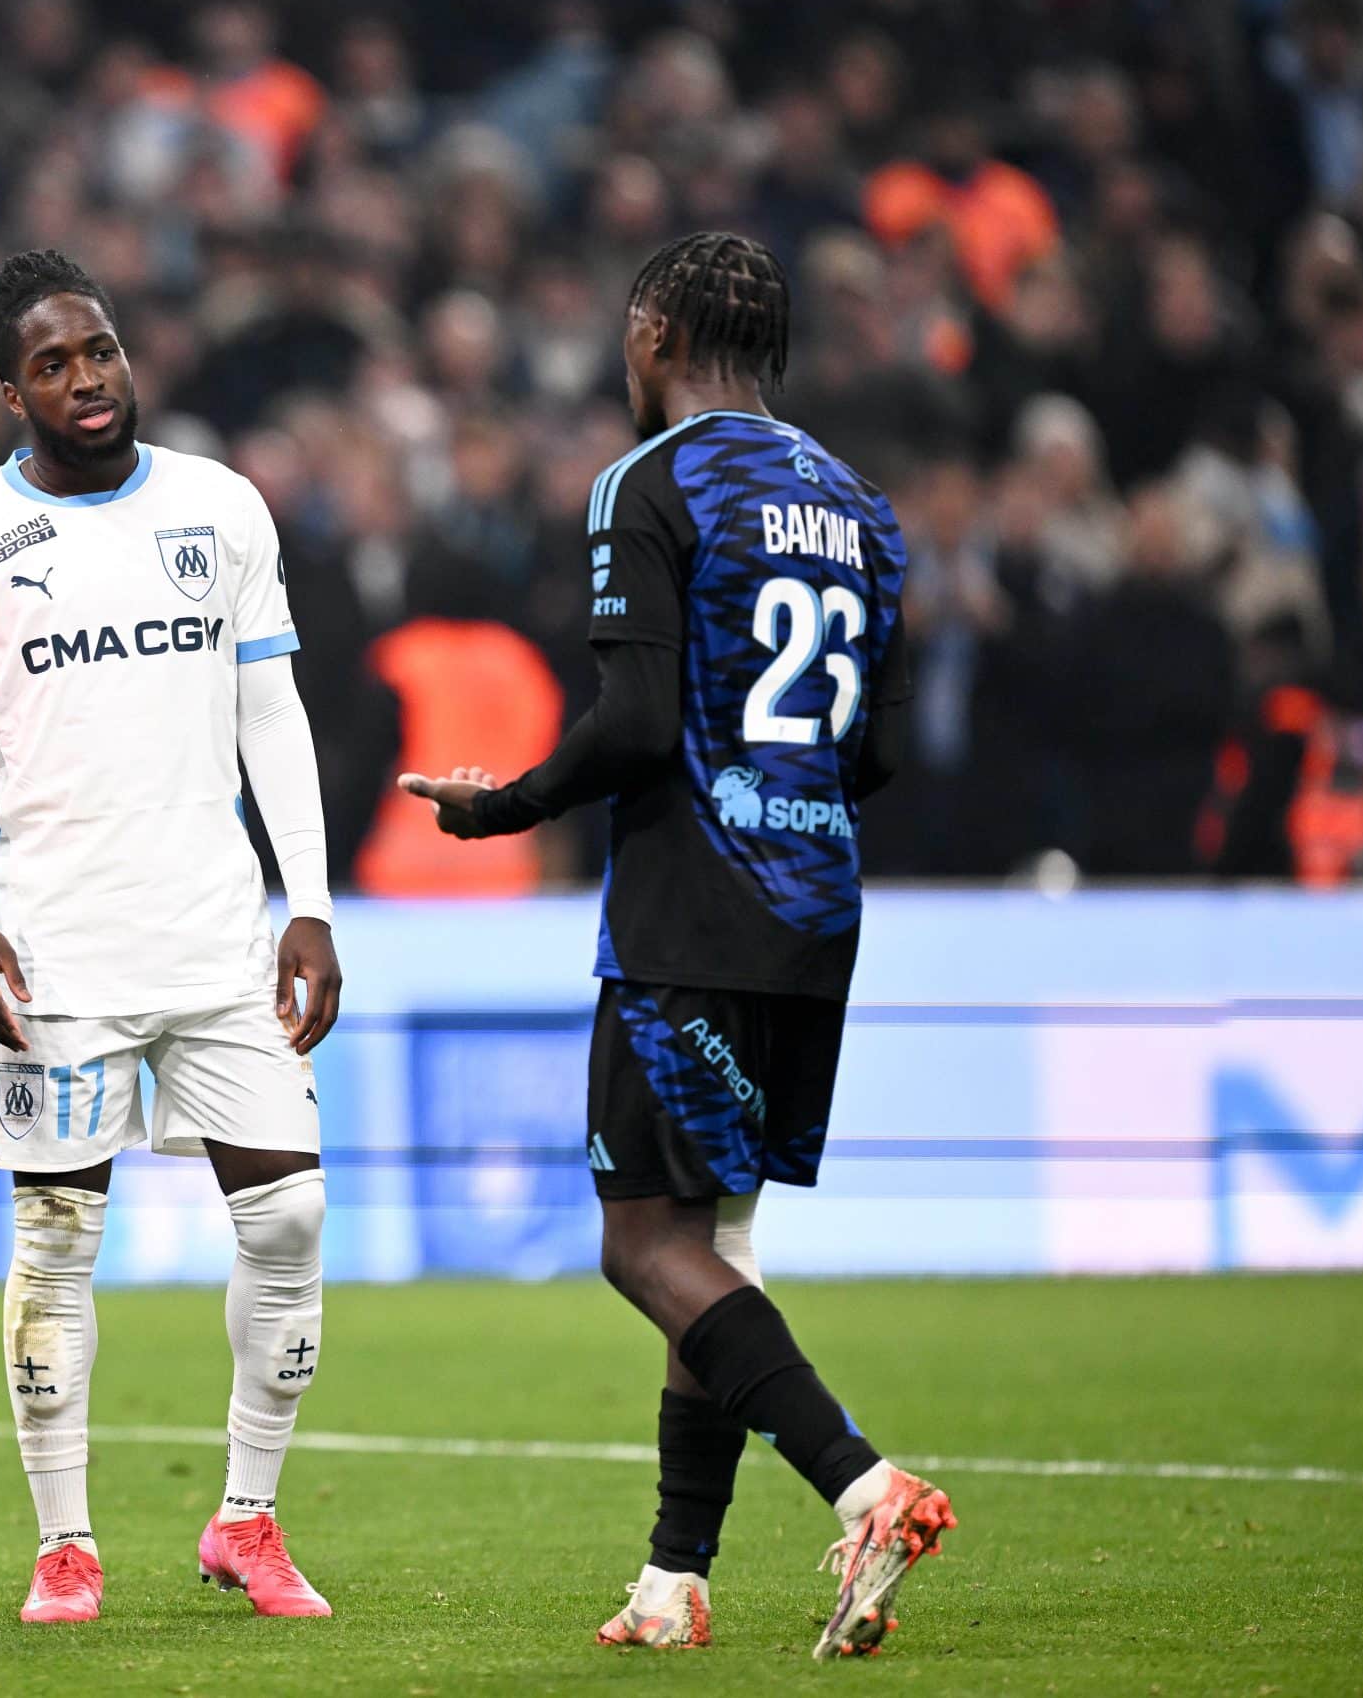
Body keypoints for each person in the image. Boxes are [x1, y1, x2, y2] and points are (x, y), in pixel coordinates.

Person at [398, 233, 955, 1659]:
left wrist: (501, 806)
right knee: (716, 1236)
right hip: (816, 903)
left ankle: (863, 1480)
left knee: (643, 1243)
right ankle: (673, 1578)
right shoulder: (862, 506)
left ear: (652, 331)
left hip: (692, 902)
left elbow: (639, 726)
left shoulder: (650, 483)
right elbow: (881, 749)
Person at [0, 249, 342, 1625]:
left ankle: (247, 1519)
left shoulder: (219, 505)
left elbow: (272, 713)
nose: (87, 379)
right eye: (51, 362)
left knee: (291, 1213)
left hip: (217, 937)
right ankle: (65, 1542)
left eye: (99, 350)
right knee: (54, 1240)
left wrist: (309, 899)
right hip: (56, 951)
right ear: (3, 386)